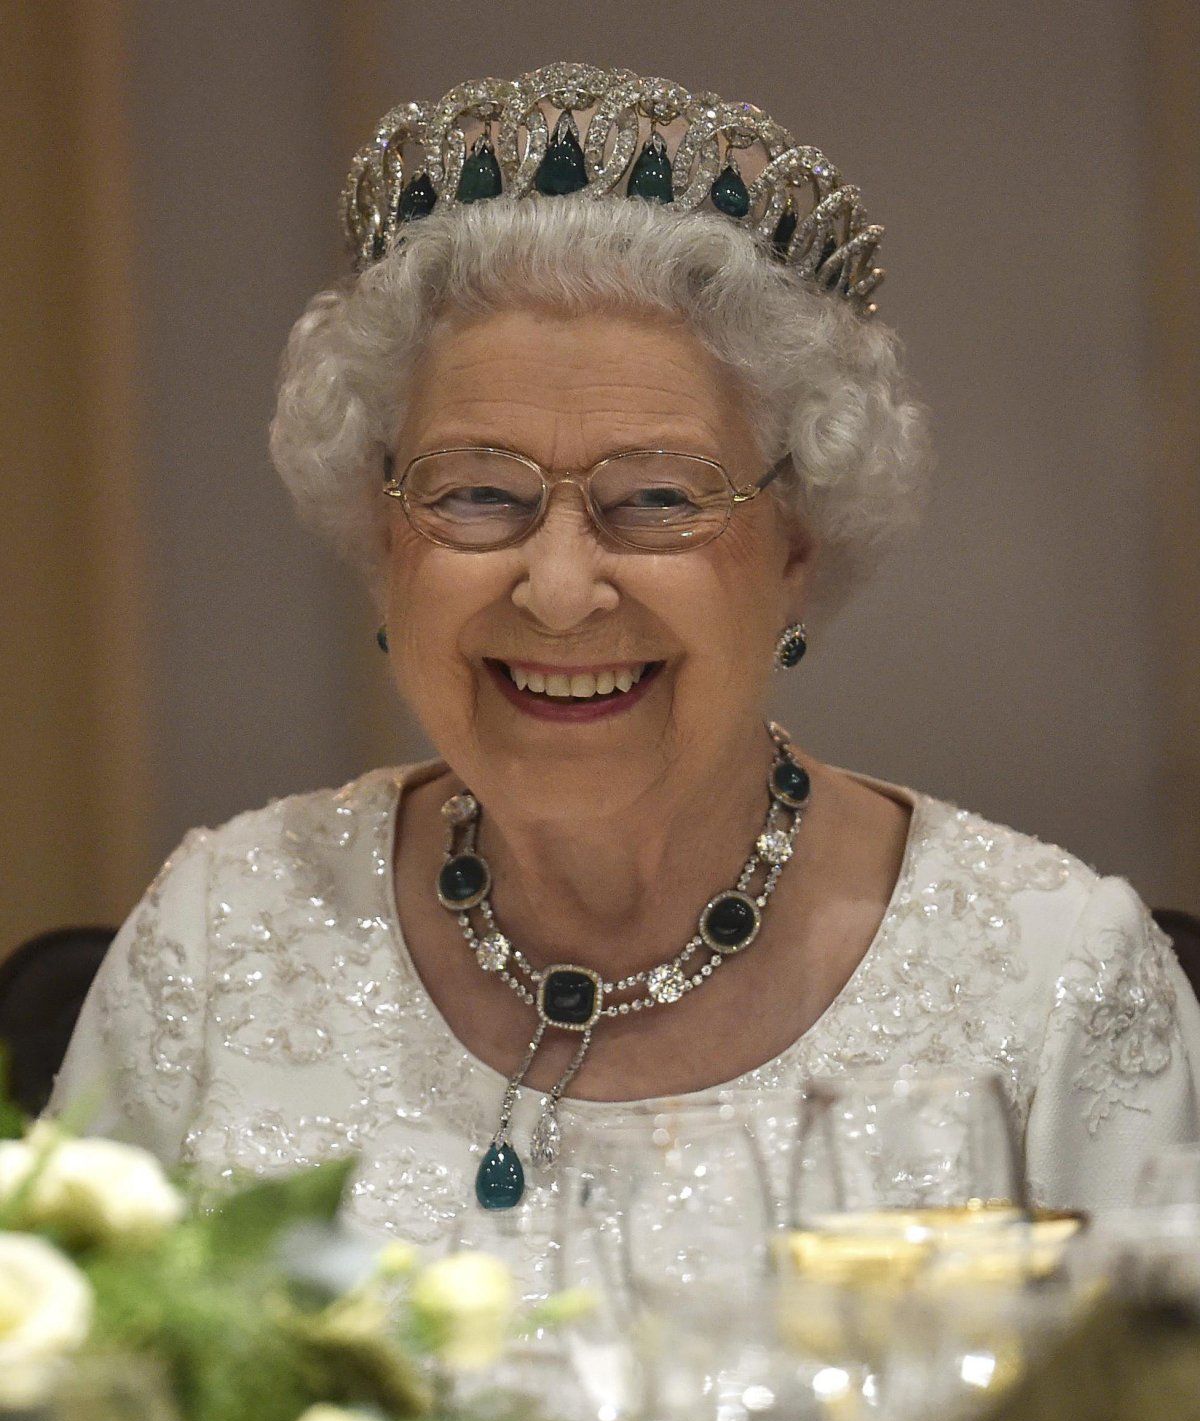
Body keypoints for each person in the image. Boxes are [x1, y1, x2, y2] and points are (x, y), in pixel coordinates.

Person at [51, 63, 1200, 1245]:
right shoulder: (219, 932)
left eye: (656, 498)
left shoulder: (1053, 984)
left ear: (798, 544)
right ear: (381, 524)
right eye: (478, 492)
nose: (556, 590)